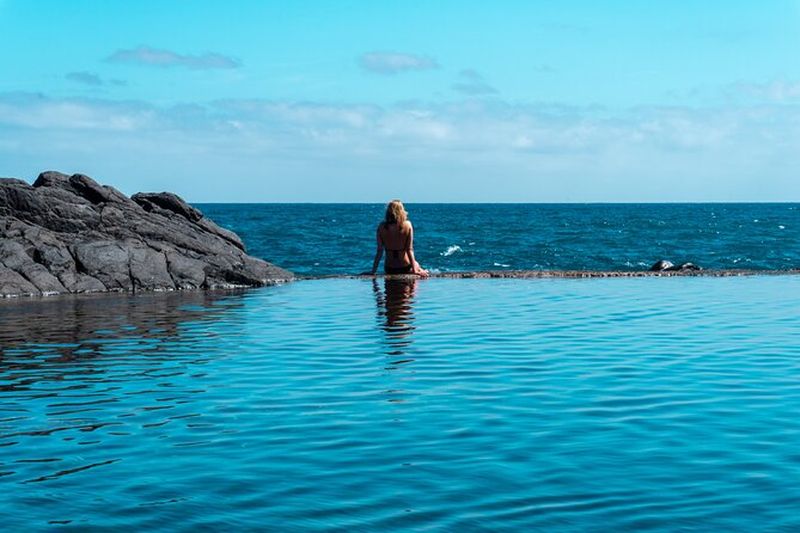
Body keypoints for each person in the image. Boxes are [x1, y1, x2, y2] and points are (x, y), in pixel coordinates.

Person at [370, 200, 428, 277]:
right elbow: (409, 249)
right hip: (405, 266)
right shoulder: (407, 225)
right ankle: (415, 285)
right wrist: (415, 270)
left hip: (389, 268)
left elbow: (379, 251)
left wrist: (373, 271)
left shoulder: (381, 227)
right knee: (417, 264)